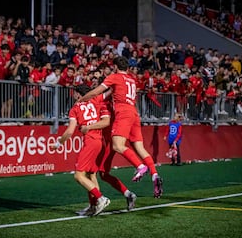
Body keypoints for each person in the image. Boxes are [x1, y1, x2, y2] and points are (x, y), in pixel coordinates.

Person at [77, 56, 163, 198]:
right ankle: (154, 174)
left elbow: (96, 92)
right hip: (134, 112)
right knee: (139, 148)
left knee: (117, 146)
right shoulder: (131, 79)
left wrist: (81, 100)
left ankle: (140, 167)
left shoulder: (114, 78)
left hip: (122, 115)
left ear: (116, 67)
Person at [78, 81, 137, 215]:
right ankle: (126, 195)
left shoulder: (104, 104)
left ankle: (97, 203)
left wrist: (88, 127)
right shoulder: (105, 103)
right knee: (101, 174)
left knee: (92, 173)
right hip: (104, 141)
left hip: (106, 142)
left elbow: (106, 122)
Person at [50, 84, 110, 216]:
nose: (73, 96)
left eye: (74, 93)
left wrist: (58, 143)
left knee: (78, 176)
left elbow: (70, 131)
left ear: (78, 94)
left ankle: (101, 198)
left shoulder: (75, 108)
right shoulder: (98, 102)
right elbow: (106, 122)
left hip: (90, 142)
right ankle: (93, 206)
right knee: (91, 175)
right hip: (100, 142)